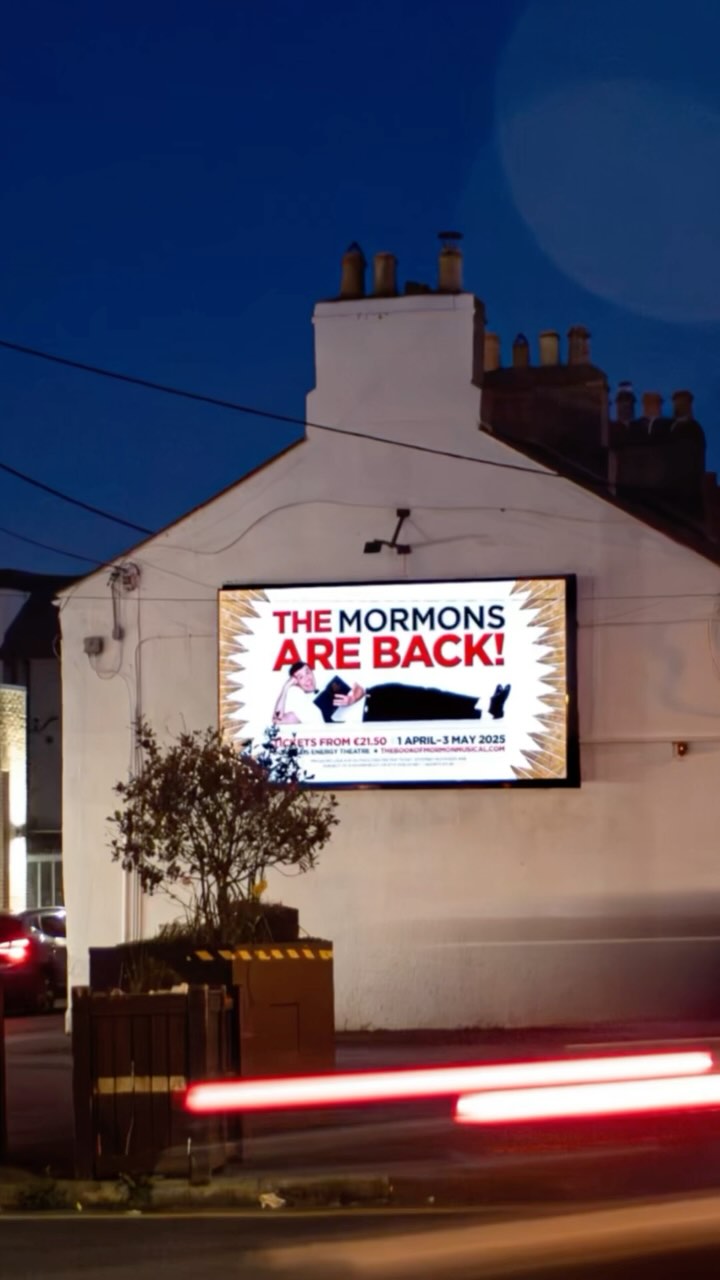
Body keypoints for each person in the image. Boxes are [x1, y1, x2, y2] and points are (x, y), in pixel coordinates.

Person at [273, 661, 511, 724]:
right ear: (295, 681)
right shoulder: (302, 708)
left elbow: (357, 686)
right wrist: (284, 689)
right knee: (430, 713)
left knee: (431, 695)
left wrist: (352, 696)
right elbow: (277, 720)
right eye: (300, 677)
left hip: (377, 695)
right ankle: (488, 713)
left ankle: (487, 703)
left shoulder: (327, 677)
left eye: (307, 672)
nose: (307, 678)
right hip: (372, 716)